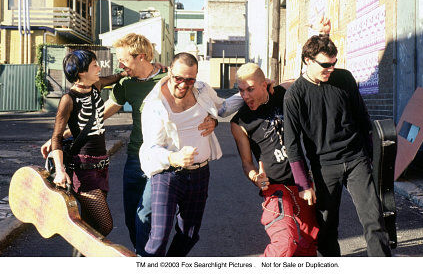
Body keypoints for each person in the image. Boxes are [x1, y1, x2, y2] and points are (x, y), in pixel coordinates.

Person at [41, 33, 216, 253]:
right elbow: (99, 114)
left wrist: (214, 119)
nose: (119, 64)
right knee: (133, 217)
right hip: (134, 159)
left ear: (140, 56)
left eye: (123, 59)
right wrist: (60, 135)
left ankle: (147, 259)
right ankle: (142, 256)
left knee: (147, 215)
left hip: (162, 159)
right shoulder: (125, 84)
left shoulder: (169, 78)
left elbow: (204, 100)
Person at [283, 23, 392, 256]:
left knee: (374, 219)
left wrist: (372, 157)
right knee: (327, 227)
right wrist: (304, 184)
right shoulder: (295, 96)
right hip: (324, 168)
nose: (331, 69)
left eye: (334, 63)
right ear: (307, 61)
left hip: (356, 160)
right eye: (325, 65)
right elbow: (292, 144)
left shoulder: (344, 79)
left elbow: (363, 119)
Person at [138, 52, 243, 256]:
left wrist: (251, 90)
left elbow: (222, 108)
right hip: (168, 175)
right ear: (169, 72)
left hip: (199, 173)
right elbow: (150, 148)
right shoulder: (154, 105)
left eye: (190, 79)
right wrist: (173, 157)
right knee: (159, 237)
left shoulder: (202, 89)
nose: (183, 85)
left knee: (189, 234)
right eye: (178, 78)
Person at [230, 63, 319, 257]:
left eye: (251, 89)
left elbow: (302, 81)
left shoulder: (281, 93)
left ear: (264, 84)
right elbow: (247, 163)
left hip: (302, 182)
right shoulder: (239, 122)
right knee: (284, 243)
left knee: (310, 241)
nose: (245, 96)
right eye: (241, 90)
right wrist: (255, 177)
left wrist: (277, 84)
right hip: (275, 189)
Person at [49, 49, 125, 239]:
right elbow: (56, 137)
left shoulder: (96, 86)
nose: (99, 68)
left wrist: (128, 72)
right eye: (94, 65)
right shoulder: (68, 100)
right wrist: (60, 170)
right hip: (83, 171)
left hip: (102, 167)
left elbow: (115, 77)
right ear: (82, 72)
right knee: (104, 225)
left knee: (92, 227)